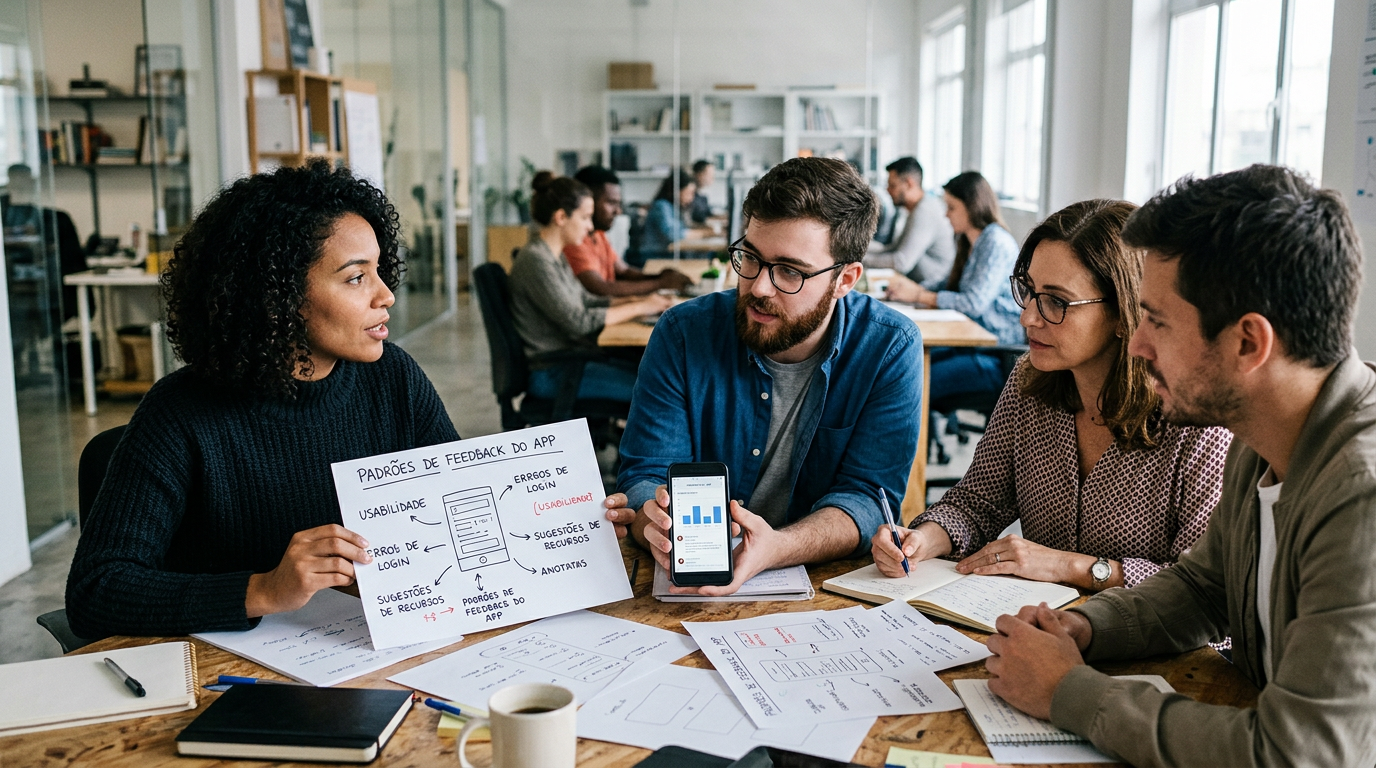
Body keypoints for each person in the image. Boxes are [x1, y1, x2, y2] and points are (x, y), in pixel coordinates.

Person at [984, 165, 1376, 766]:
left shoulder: (1361, 494)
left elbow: (1298, 753)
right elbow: (1203, 587)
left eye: (1158, 321)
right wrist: (1088, 630)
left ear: (1248, 344)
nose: (1137, 346)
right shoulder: (1265, 434)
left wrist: (1070, 692)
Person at [65, 161, 459, 637]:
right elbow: (96, 590)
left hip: (364, 649)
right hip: (233, 679)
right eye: (356, 278)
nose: (386, 295)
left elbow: (454, 504)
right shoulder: (179, 413)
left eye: (379, 269)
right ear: (278, 294)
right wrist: (264, 590)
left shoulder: (393, 377)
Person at [602, 157, 923, 596]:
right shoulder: (682, 333)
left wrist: (778, 547)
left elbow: (869, 498)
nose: (759, 287)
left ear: (845, 279)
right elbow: (644, 475)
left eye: (790, 270)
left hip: (823, 587)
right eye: (749, 258)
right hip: (686, 587)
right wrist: (653, 523)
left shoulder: (889, 346)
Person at [871, 199, 1230, 591]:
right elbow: (977, 503)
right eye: (1028, 291)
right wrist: (925, 538)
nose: (1028, 317)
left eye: (1057, 301)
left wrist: (1072, 567)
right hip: (1044, 629)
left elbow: (1205, 590)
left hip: (1158, 647)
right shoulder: (1030, 383)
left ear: (1122, 310)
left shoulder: (1197, 422)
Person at [509, 175, 671, 403]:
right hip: (555, 373)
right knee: (656, 392)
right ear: (561, 217)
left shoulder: (553, 255)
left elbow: (585, 300)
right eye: (585, 217)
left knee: (655, 374)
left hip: (571, 363)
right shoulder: (536, 260)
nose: (591, 226)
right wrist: (641, 306)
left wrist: (640, 302)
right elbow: (580, 322)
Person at [888, 171, 1023, 404]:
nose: (946, 214)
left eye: (951, 207)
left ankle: (919, 439)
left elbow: (973, 304)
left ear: (971, 207)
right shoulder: (968, 241)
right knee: (904, 362)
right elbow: (949, 283)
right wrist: (910, 293)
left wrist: (920, 295)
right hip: (969, 342)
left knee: (914, 382)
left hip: (996, 352)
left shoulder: (995, 242)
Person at [564, 165, 692, 297]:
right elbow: (600, 288)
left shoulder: (598, 233)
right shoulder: (575, 240)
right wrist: (660, 283)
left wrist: (659, 277)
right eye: (611, 202)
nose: (618, 211)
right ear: (587, 200)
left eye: (618, 204)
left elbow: (623, 271)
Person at [864, 157, 955, 284]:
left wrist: (861, 259)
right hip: (916, 283)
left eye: (892, 185)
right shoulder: (915, 209)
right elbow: (893, 249)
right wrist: (858, 250)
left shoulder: (925, 211)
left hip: (929, 287)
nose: (887, 190)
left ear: (909, 183)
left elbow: (901, 262)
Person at [638, 169, 709, 262]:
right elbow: (671, 234)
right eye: (688, 193)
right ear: (676, 191)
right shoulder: (661, 206)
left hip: (665, 254)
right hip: (655, 255)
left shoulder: (673, 207)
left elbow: (683, 227)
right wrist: (703, 234)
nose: (691, 198)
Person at [689, 159, 715, 224]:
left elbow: (709, 215)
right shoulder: (689, 197)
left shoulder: (702, 197)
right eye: (709, 175)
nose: (712, 178)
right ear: (699, 175)